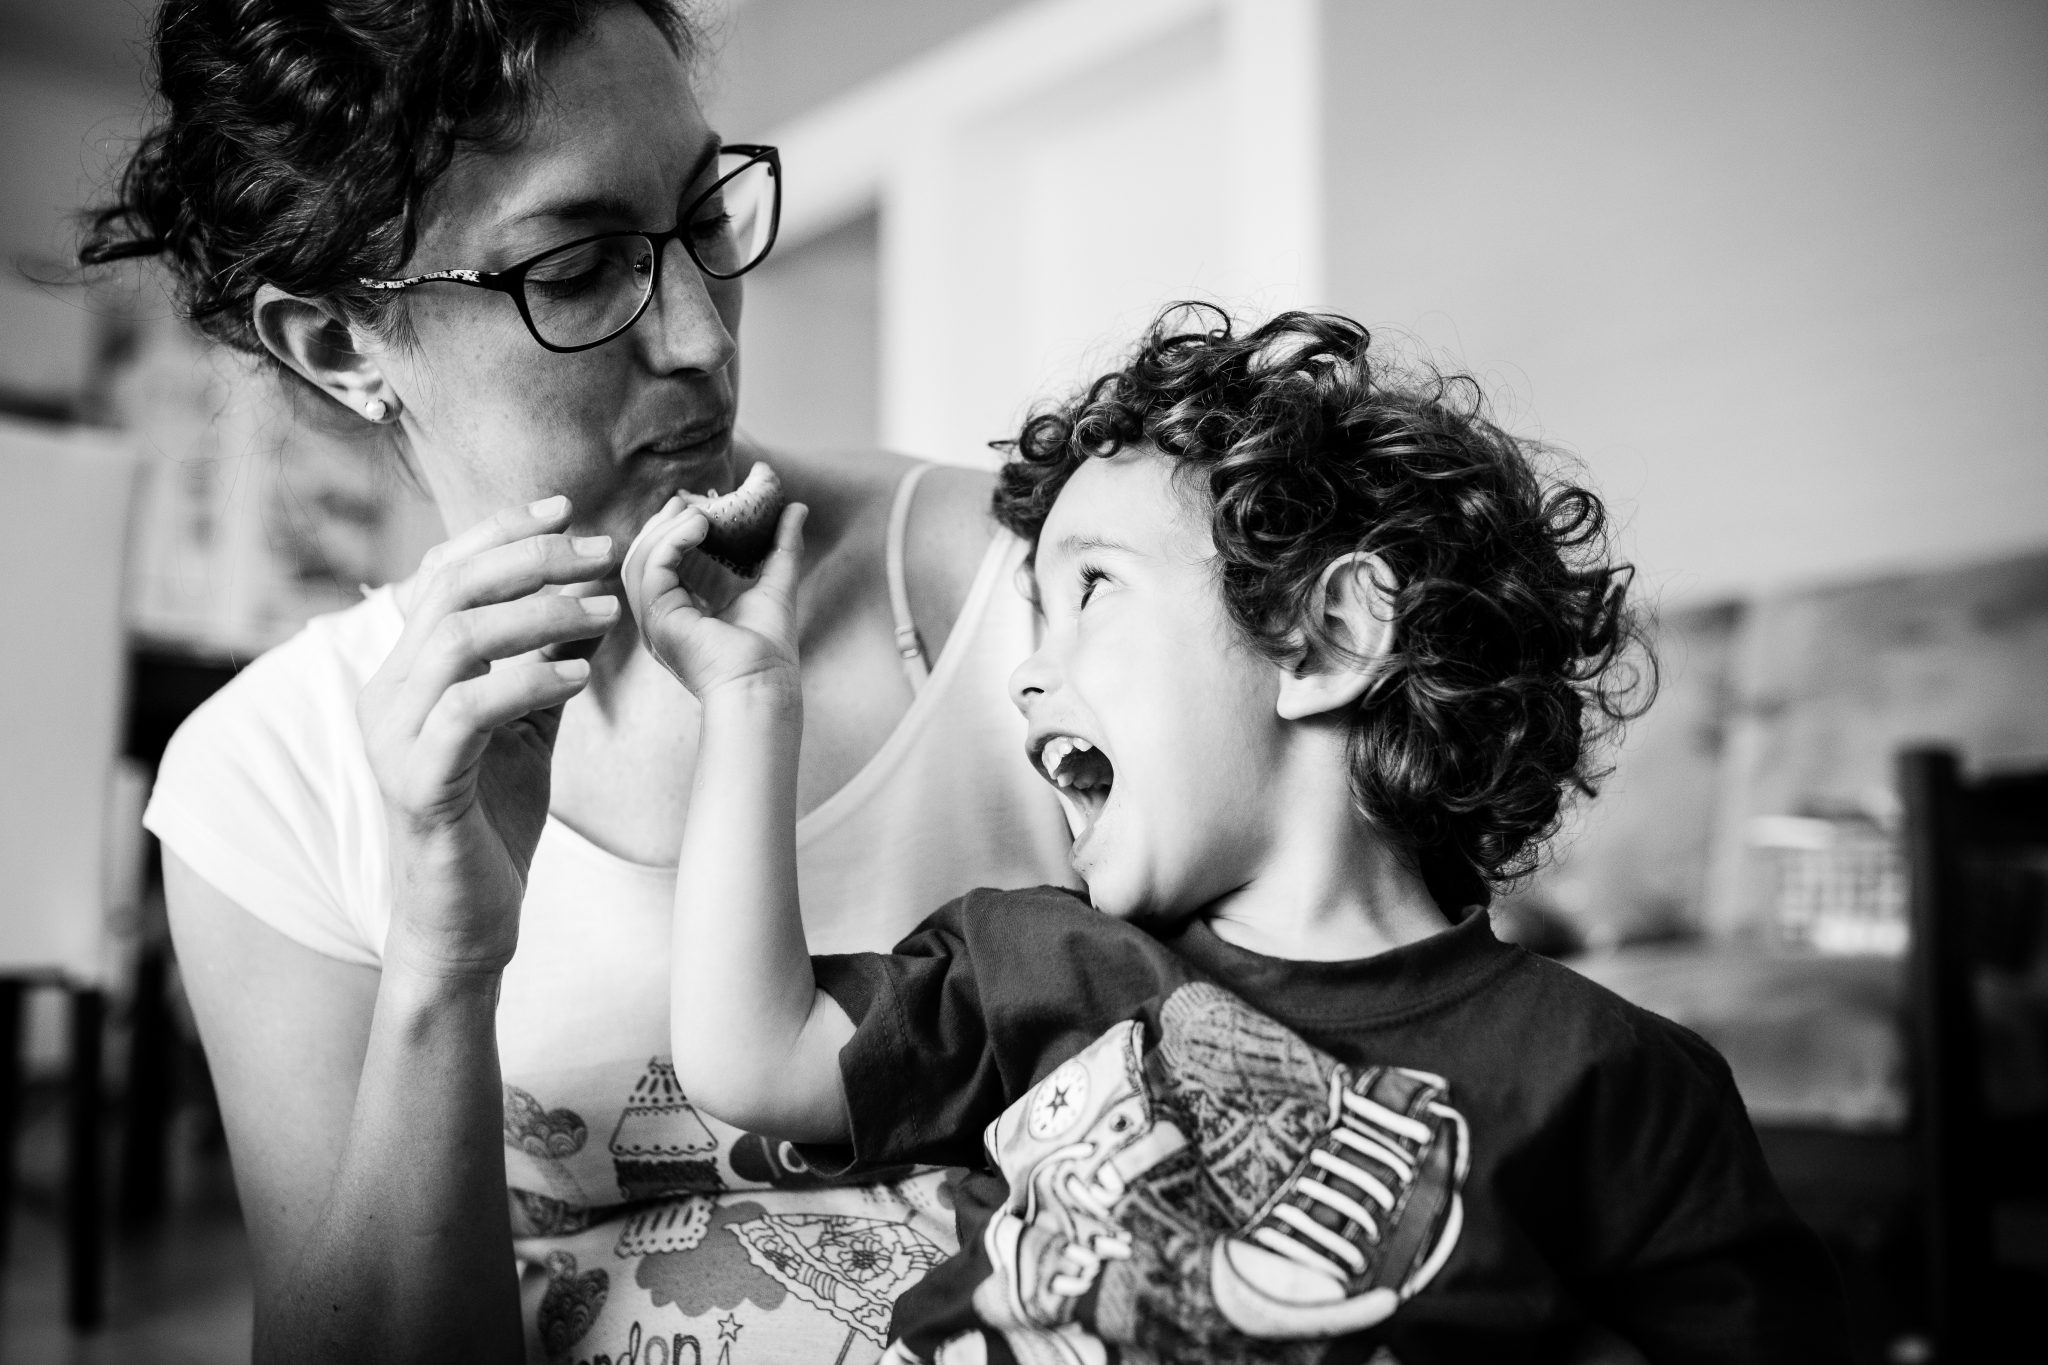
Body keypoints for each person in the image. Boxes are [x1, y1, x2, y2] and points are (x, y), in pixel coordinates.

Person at [87, 2, 1074, 1361]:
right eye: (578, 265)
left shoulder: (1035, 593)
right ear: (337, 342)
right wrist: (442, 962)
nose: (702, 338)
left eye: (704, 218)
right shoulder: (270, 774)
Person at [626, 307, 1854, 1363]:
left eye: (1092, 589)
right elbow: (749, 1059)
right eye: (1032, 618)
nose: (1028, 675)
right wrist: (749, 700)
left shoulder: (1611, 1075)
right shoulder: (1035, 965)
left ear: (1326, 638)